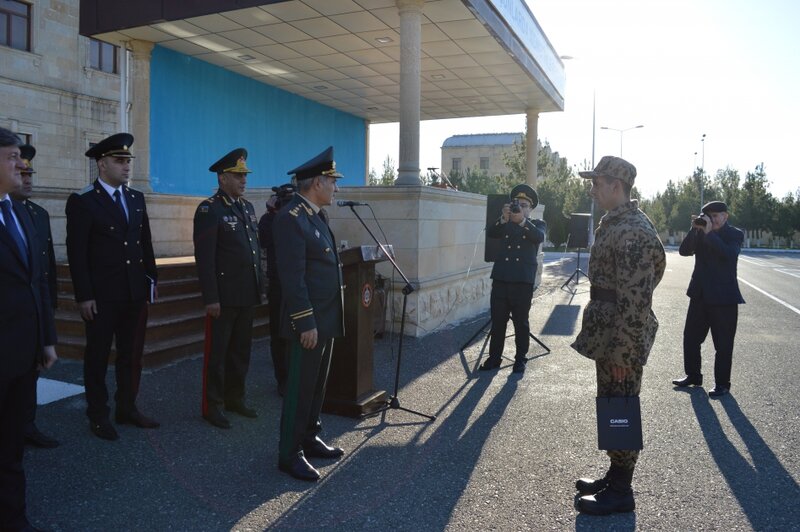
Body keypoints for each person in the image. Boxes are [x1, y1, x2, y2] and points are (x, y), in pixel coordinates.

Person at [570, 156, 666, 515]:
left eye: (597, 182)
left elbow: (638, 298)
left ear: (616, 185)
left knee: (621, 404)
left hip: (621, 336)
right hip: (608, 332)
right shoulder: (616, 223)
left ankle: (622, 492)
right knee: (611, 402)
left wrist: (626, 353)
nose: (592, 189)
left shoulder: (634, 232)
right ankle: (614, 475)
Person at [66, 132, 160, 441]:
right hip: (102, 296)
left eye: (128, 161)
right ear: (102, 164)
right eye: (120, 161)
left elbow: (144, 243)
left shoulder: (135, 198)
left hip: (133, 291)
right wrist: (84, 295)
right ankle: (98, 414)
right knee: (98, 356)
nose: (126, 167)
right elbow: (77, 253)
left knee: (131, 354)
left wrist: (151, 278)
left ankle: (127, 407)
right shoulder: (83, 201)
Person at [273, 146, 345, 481]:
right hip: (309, 322)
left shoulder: (315, 215)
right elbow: (292, 276)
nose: (336, 187)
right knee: (300, 388)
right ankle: (290, 452)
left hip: (326, 318)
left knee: (317, 387)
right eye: (332, 181)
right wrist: (304, 321)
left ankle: (310, 435)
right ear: (317, 183)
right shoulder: (290, 219)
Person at [0, 127, 58, 531]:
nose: (22, 164)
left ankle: (13, 517)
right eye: (12, 157)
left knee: (10, 447)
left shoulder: (21, 212)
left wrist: (47, 338)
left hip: (22, 354)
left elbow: (37, 281)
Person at [193, 148, 263, 429]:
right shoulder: (210, 209)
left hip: (246, 293)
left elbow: (254, 252)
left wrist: (260, 287)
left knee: (240, 351)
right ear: (222, 178)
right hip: (223, 296)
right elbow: (205, 257)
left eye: (244, 175)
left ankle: (236, 398)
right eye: (237, 175)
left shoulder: (246, 207)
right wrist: (211, 297)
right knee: (218, 354)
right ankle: (213, 405)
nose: (243, 180)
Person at [10, 144, 60, 448]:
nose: (27, 179)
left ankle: (27, 424)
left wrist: (49, 308)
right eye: (21, 172)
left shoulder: (37, 214)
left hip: (36, 311)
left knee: (30, 377)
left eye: (30, 173)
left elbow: (46, 268)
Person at [672, 201, 744, 397]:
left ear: (725, 216)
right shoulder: (701, 232)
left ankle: (722, 384)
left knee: (723, 344)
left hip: (724, 299)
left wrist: (710, 233)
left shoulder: (734, 234)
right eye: (709, 216)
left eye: (716, 215)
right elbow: (684, 251)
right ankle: (693, 375)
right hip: (700, 295)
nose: (712, 219)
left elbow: (728, 255)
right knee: (691, 338)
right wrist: (694, 230)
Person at [479, 184, 546, 374]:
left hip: (522, 282)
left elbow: (539, 237)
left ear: (531, 208)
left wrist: (523, 222)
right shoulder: (505, 223)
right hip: (501, 278)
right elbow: (491, 232)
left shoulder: (537, 224)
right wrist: (503, 218)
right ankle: (494, 358)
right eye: (517, 204)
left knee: (521, 323)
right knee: (498, 322)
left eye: (525, 205)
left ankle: (520, 359)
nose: (520, 208)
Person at [258, 183, 296, 397]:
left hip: (298, 284)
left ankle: (298, 376)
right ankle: (282, 380)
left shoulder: (302, 215)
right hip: (278, 285)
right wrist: (272, 214)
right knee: (278, 335)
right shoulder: (268, 220)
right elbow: (264, 240)